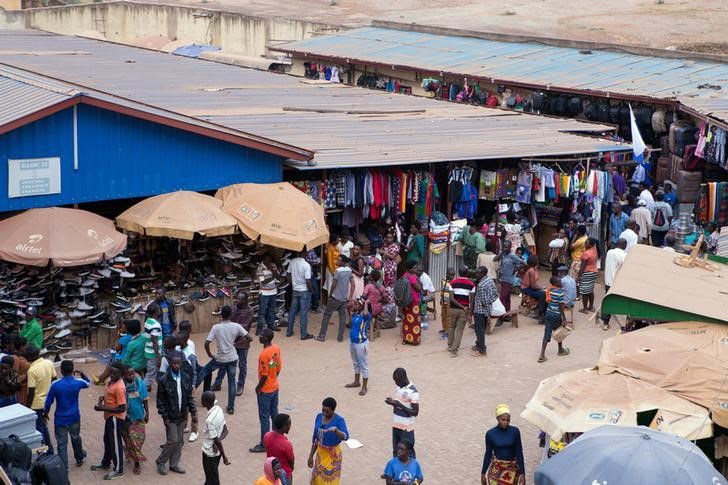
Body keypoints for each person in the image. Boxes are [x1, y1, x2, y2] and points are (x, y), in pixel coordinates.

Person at [197, 305, 250, 415]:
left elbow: (207, 343)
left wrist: (210, 354)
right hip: (232, 358)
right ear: (231, 315)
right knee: (232, 382)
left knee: (204, 371)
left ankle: (191, 390)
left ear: (221, 315)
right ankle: (230, 407)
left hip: (220, 358)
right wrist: (236, 344)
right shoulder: (236, 326)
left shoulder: (216, 327)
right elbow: (250, 338)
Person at [156, 351, 197, 475]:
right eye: (173, 363)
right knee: (173, 440)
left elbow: (189, 396)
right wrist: (164, 416)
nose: (176, 366)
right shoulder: (163, 380)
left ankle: (174, 464)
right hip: (170, 417)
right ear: (170, 364)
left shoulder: (185, 378)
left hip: (182, 415)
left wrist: (193, 412)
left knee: (179, 441)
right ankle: (161, 461)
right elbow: (160, 401)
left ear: (181, 364)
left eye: (178, 363)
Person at [44, 360, 90, 469]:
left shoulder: (55, 385)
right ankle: (79, 458)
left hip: (60, 419)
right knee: (76, 438)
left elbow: (48, 402)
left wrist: (45, 414)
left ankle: (63, 467)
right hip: (74, 417)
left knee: (61, 444)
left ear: (62, 370)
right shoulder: (78, 382)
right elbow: (88, 383)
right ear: (72, 370)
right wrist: (82, 373)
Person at [90, 361, 126, 480]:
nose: (111, 375)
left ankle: (119, 469)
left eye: (115, 373)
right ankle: (106, 463)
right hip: (109, 417)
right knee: (107, 440)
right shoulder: (112, 382)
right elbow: (110, 396)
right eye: (111, 372)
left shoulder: (119, 387)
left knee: (115, 443)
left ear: (121, 373)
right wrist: (103, 398)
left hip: (116, 418)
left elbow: (122, 408)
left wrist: (102, 408)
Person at [213, 292, 254, 396]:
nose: (237, 301)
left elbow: (244, 326)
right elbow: (227, 318)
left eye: (239, 299)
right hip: (231, 340)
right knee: (224, 362)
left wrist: (230, 326)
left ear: (245, 301)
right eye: (236, 299)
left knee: (242, 364)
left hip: (243, 341)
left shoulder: (249, 311)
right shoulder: (233, 308)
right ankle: (218, 383)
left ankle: (240, 385)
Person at [250, 328, 282, 453]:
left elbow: (264, 375)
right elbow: (276, 367)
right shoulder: (275, 349)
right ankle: (277, 438)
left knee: (264, 418)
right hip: (274, 387)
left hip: (265, 391)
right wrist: (273, 378)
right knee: (274, 414)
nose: (259, 336)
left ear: (266, 339)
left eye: (261, 335)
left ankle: (264, 444)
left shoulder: (264, 354)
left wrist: (258, 388)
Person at [308, 397, 349, 485]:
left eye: (327, 411)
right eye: (323, 410)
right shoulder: (319, 417)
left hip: (332, 457)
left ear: (333, 410)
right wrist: (311, 456)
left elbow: (346, 437)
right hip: (320, 454)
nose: (324, 413)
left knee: (328, 481)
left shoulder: (339, 421)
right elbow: (315, 438)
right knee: (317, 479)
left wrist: (336, 431)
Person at [482, 404, 525, 485]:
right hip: (496, 470)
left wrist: (523, 473)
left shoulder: (515, 431)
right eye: (503, 419)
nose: (505, 422)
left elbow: (519, 452)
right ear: (497, 418)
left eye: (508, 420)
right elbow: (488, 454)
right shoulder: (490, 434)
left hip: (512, 470)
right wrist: (483, 473)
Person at [26, 344, 56, 453]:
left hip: (36, 404)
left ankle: (44, 452)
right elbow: (54, 379)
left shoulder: (32, 370)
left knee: (39, 429)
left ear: (29, 357)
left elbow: (31, 392)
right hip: (46, 401)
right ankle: (50, 449)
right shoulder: (48, 363)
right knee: (43, 425)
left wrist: (27, 408)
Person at [316, 255, 354, 343]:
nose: (337, 261)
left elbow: (334, 284)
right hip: (344, 299)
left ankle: (322, 336)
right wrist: (350, 297)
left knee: (326, 316)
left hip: (335, 297)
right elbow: (353, 284)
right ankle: (340, 337)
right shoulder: (349, 270)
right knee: (343, 318)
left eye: (339, 260)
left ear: (343, 262)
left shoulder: (337, 271)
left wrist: (330, 294)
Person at [385, 368, 420, 457]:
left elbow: (415, 412)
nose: (396, 383)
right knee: (396, 451)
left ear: (403, 378)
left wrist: (400, 405)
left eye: (397, 381)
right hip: (396, 425)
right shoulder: (398, 388)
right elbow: (399, 404)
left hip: (406, 429)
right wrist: (392, 402)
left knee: (408, 453)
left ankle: (412, 470)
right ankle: (396, 470)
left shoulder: (413, 392)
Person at [121, 364, 148, 475]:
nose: (132, 375)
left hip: (139, 416)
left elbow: (145, 399)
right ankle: (137, 463)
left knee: (140, 438)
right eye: (129, 374)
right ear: (124, 375)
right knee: (131, 439)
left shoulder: (140, 383)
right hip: (126, 418)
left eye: (133, 373)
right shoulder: (121, 386)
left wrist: (147, 414)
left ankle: (131, 453)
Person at [201, 391, 230, 485]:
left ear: (206, 402)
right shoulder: (218, 409)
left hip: (210, 455)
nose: (201, 400)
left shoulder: (210, 420)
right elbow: (225, 430)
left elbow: (217, 441)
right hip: (216, 454)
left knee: (213, 481)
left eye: (202, 399)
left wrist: (224, 457)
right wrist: (217, 442)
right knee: (210, 479)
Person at [538, 276, 570, 363]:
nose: (561, 282)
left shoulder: (549, 290)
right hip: (556, 316)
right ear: (556, 283)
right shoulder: (560, 293)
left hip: (548, 315)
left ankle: (542, 355)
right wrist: (564, 318)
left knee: (547, 334)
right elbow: (561, 307)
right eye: (559, 281)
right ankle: (560, 350)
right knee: (559, 332)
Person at [446, 266, 475, 358]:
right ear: (467, 273)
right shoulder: (472, 284)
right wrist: (470, 313)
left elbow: (451, 298)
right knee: (459, 330)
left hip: (453, 309)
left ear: (458, 272)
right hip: (464, 310)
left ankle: (450, 346)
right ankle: (454, 351)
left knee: (451, 327)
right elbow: (472, 300)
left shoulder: (452, 283)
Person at [92, 320, 133, 385]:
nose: (121, 328)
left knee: (113, 359)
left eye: (123, 327)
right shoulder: (133, 336)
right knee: (114, 358)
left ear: (127, 329)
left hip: (125, 359)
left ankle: (101, 379)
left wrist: (118, 337)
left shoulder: (125, 338)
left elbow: (116, 348)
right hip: (131, 358)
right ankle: (102, 377)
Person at [344, 299, 371, 396]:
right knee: (355, 362)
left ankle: (364, 387)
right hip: (353, 342)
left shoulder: (366, 316)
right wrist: (350, 313)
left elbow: (365, 313)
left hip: (361, 343)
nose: (355, 305)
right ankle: (356, 381)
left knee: (363, 365)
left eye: (357, 304)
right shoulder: (356, 315)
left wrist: (366, 304)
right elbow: (349, 325)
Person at [470, 266, 499, 357]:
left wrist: (487, 315)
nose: (476, 274)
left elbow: (484, 302)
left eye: (478, 273)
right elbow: (495, 295)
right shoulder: (490, 280)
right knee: (479, 329)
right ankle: (478, 344)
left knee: (479, 330)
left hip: (480, 311)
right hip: (487, 308)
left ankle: (482, 350)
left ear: (483, 274)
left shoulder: (481, 285)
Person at [601, 238, 628, 331]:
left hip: (608, 280)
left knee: (607, 300)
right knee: (618, 302)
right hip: (616, 282)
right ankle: (623, 323)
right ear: (624, 246)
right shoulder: (624, 255)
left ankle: (605, 322)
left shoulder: (610, 252)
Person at [287, 250, 314, 340]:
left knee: (292, 311)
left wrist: (292, 284)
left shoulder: (292, 261)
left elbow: (287, 275)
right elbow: (308, 281)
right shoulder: (306, 265)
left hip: (295, 289)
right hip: (304, 291)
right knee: (303, 313)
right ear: (305, 253)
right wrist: (311, 291)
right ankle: (303, 334)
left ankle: (289, 332)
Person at [494, 241, 524, 314]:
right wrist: (501, 252)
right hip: (503, 279)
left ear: (510, 247)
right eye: (504, 246)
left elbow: (524, 263)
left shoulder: (513, 256)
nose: (505, 248)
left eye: (506, 247)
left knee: (502, 297)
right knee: (507, 298)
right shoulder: (503, 254)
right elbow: (495, 259)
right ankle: (507, 314)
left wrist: (515, 270)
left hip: (509, 280)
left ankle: (501, 316)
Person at [264, 414, 294, 485]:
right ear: (284, 427)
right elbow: (291, 461)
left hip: (271, 473)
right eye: (289, 424)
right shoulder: (287, 444)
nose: (290, 426)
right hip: (285, 476)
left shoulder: (267, 436)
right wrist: (291, 468)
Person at [257, 253, 281, 335]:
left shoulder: (273, 265)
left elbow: (278, 277)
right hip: (264, 292)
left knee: (272, 310)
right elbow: (263, 282)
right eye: (267, 259)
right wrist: (272, 277)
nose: (269, 261)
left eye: (270, 259)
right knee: (262, 311)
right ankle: (259, 328)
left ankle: (271, 325)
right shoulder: (260, 268)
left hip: (273, 291)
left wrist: (273, 270)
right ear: (263, 260)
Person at [400, 260, 423, 346]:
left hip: (406, 301)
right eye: (414, 268)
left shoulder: (404, 275)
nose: (416, 269)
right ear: (409, 269)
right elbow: (418, 289)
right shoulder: (412, 277)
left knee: (406, 320)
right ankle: (414, 340)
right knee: (415, 321)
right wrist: (419, 282)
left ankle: (405, 338)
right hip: (414, 301)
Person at [142, 303, 163, 391]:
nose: (160, 310)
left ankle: (162, 388)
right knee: (150, 375)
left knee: (158, 371)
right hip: (153, 353)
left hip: (148, 351)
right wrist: (158, 356)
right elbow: (154, 341)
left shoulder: (148, 321)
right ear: (155, 312)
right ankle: (141, 391)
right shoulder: (155, 325)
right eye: (158, 309)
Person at [520, 255, 546, 323]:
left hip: (529, 287)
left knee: (545, 293)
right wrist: (542, 288)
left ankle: (541, 312)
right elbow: (533, 286)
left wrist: (541, 288)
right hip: (526, 288)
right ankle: (540, 313)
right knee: (543, 294)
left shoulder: (534, 269)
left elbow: (534, 284)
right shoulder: (531, 271)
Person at [577, 238, 600, 313]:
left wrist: (579, 276)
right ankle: (591, 307)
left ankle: (585, 309)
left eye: (586, 243)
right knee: (590, 290)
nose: (585, 244)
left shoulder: (586, 254)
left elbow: (582, 267)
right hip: (593, 272)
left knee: (584, 292)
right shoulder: (595, 250)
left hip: (587, 272)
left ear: (590, 245)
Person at [439, 267, 455, 340]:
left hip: (449, 302)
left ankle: (448, 332)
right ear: (447, 274)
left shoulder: (454, 282)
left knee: (449, 317)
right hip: (443, 301)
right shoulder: (443, 280)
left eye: (453, 275)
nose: (452, 277)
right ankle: (444, 328)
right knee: (443, 315)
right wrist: (441, 299)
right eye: (451, 275)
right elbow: (442, 290)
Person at [323, 235, 340, 300]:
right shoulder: (330, 248)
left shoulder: (336, 247)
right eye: (337, 239)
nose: (339, 240)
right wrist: (333, 272)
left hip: (336, 269)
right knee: (330, 286)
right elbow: (330, 262)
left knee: (336, 286)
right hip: (331, 270)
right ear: (333, 241)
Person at [305, 248, 322, 313]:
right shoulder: (309, 251)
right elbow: (314, 261)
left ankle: (313, 307)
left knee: (313, 290)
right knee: (314, 290)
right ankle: (314, 307)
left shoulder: (311, 249)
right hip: (309, 274)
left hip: (310, 273)